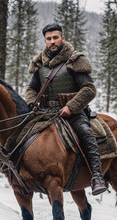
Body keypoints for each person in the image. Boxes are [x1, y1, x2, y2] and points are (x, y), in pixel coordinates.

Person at [25, 23, 107, 196]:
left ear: (62, 38)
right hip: (44, 113)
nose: (52, 41)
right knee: (20, 132)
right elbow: (31, 89)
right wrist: (32, 102)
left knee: (85, 133)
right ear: (45, 41)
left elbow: (89, 89)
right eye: (49, 39)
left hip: (73, 113)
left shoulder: (75, 60)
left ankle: (97, 177)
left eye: (56, 37)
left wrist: (71, 107)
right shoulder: (39, 63)